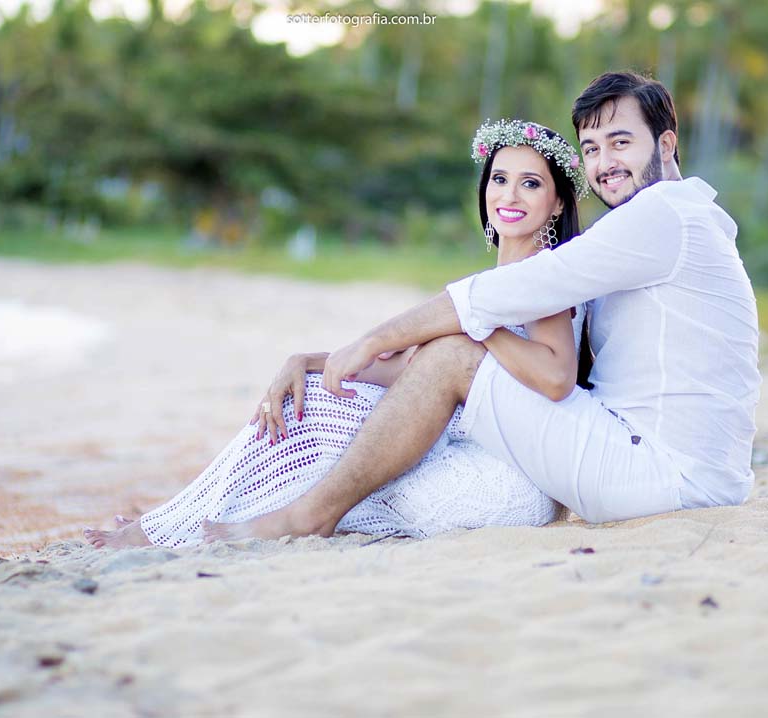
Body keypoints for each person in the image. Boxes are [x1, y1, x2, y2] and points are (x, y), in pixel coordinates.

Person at [200, 71, 761, 543]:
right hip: (674, 464)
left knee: (452, 359)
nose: (604, 163)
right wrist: (322, 358)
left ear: (665, 145)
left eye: (621, 142)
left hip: (664, 474)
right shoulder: (673, 220)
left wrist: (371, 340)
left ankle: (309, 515)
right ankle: (250, 505)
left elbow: (521, 297)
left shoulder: (662, 214)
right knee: (448, 354)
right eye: (591, 148)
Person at [85, 120, 592, 549]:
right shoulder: (502, 278)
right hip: (480, 452)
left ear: (555, 203)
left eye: (530, 183)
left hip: (506, 476)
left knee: (330, 436)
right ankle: (176, 524)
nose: (509, 194)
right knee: (315, 408)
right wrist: (307, 361)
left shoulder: (543, 275)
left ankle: (178, 532)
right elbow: (416, 368)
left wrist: (478, 328)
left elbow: (555, 377)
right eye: (499, 178)